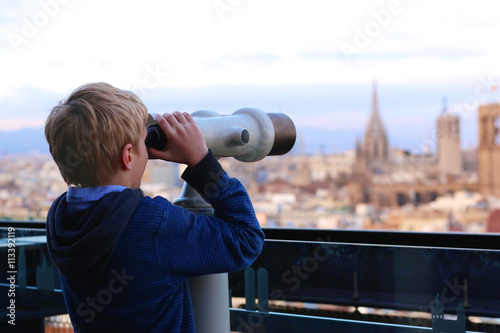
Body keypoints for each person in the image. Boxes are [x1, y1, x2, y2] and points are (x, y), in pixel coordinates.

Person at [44, 82, 265, 332]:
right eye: (143, 142)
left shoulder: (61, 218)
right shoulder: (154, 225)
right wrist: (202, 162)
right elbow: (246, 240)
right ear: (128, 156)